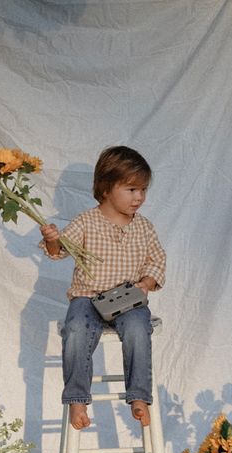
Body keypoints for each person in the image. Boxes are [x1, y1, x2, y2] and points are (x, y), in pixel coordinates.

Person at [39, 145, 166, 431]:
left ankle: (139, 396)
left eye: (143, 190)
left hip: (127, 299)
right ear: (107, 188)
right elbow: (61, 250)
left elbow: (157, 260)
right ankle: (77, 398)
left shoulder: (144, 227)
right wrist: (51, 240)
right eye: (132, 189)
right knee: (75, 330)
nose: (140, 198)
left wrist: (145, 284)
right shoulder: (86, 221)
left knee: (137, 328)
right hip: (88, 297)